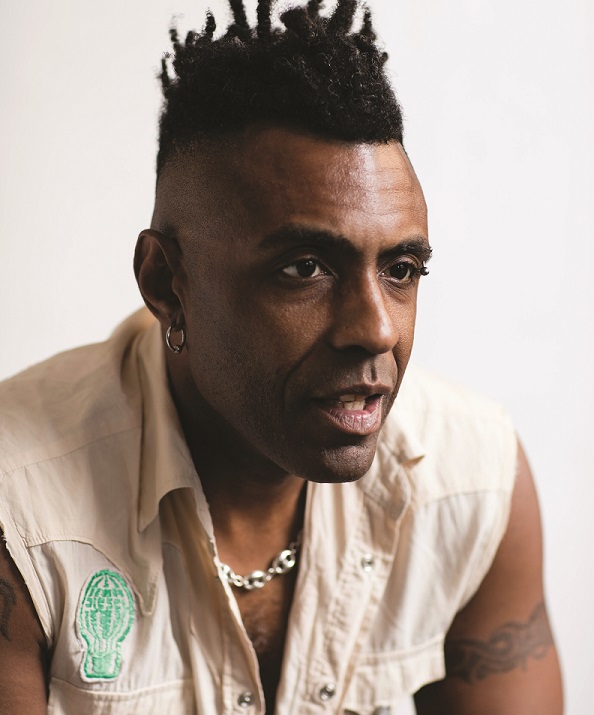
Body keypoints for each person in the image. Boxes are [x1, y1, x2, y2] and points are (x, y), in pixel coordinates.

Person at [0, 0, 563, 713]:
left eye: (401, 269)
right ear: (167, 285)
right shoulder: (21, 515)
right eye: (305, 268)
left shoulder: (472, 482)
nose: (376, 331)